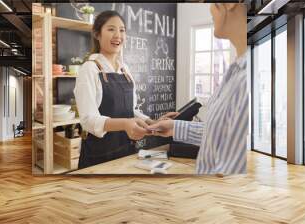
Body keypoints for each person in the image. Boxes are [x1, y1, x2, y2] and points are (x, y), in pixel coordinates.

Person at [148, 3, 248, 175]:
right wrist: (174, 127)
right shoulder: (234, 73)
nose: (209, 9)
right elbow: (221, 136)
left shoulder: (245, 77)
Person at [74, 10, 176, 169]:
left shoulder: (125, 70)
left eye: (122, 30)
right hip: (99, 156)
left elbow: (131, 110)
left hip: (127, 151)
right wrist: (125, 124)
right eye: (111, 29)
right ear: (97, 34)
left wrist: (152, 123)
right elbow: (88, 120)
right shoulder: (89, 69)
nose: (118, 35)